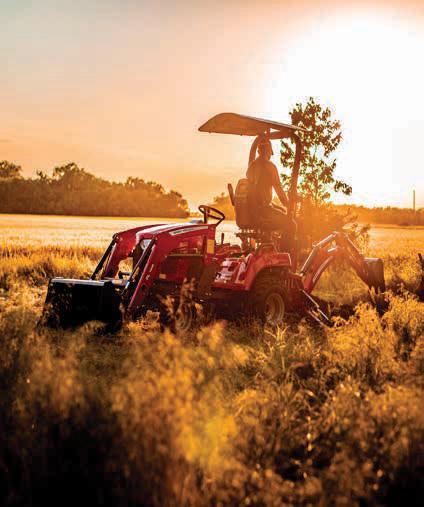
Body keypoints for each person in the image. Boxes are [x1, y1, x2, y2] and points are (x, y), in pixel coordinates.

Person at [246, 138, 294, 236]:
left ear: (258, 151)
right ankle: (285, 245)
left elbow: (257, 192)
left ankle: (271, 240)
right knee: (291, 224)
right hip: (263, 211)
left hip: (251, 210)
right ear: (269, 151)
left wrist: (279, 207)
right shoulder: (270, 167)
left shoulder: (252, 166)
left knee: (281, 210)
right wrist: (289, 206)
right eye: (269, 153)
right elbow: (279, 189)